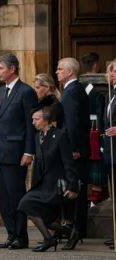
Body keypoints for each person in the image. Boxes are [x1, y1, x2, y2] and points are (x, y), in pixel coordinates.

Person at [0, 53, 37, 250]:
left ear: (12, 69)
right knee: (4, 197)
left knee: (16, 195)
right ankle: (11, 233)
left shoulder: (26, 92)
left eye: (0, 68)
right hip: (0, 151)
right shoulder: (0, 92)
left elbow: (30, 125)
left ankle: (21, 236)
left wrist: (29, 152)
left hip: (16, 153)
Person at [18, 106, 79, 252]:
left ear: (47, 120)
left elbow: (68, 163)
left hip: (57, 185)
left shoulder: (60, 135)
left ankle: (51, 239)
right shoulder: (37, 137)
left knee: (26, 203)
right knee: (28, 206)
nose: (33, 122)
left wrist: (73, 187)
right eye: (32, 119)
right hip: (43, 184)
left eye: (36, 119)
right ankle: (68, 233)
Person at [56, 57, 90, 250]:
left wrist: (74, 149)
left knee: (74, 190)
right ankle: (74, 229)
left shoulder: (71, 92)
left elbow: (73, 125)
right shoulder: (74, 90)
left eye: (60, 69)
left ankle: (75, 230)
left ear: (69, 72)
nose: (57, 72)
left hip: (74, 151)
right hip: (76, 148)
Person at [80, 53, 108, 206]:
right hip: (96, 132)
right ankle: (95, 199)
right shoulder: (98, 89)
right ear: (96, 66)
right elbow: (100, 113)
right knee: (96, 167)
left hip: (84, 132)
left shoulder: (78, 86)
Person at [103, 59, 116, 250]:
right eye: (110, 71)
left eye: (115, 71)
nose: (111, 74)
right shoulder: (112, 93)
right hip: (112, 152)